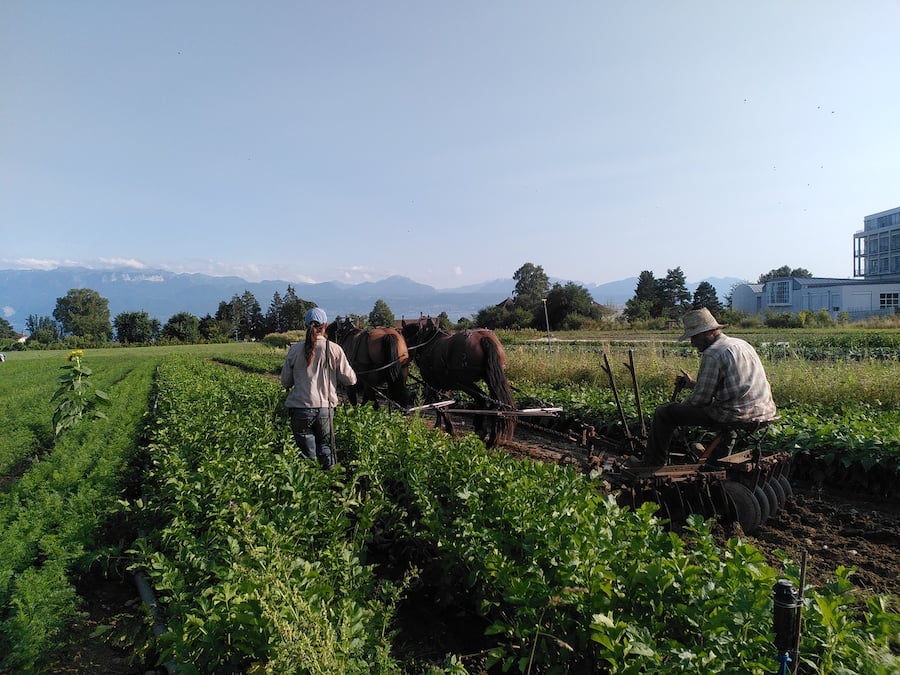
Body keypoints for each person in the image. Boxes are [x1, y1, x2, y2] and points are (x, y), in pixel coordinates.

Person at [643, 307, 777, 466]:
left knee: (664, 412)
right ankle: (716, 459)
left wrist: (678, 410)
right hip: (764, 412)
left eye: (696, 337)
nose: (693, 343)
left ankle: (652, 464)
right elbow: (734, 388)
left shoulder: (713, 353)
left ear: (712, 332)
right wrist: (694, 385)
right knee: (726, 411)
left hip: (737, 414)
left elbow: (700, 401)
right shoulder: (742, 344)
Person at [280, 308, 357, 469]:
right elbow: (350, 379)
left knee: (307, 455)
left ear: (305, 326)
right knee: (326, 449)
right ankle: (330, 480)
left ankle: (311, 481)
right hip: (325, 409)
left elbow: (285, 382)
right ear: (325, 325)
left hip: (300, 409)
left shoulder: (294, 350)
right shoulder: (333, 348)